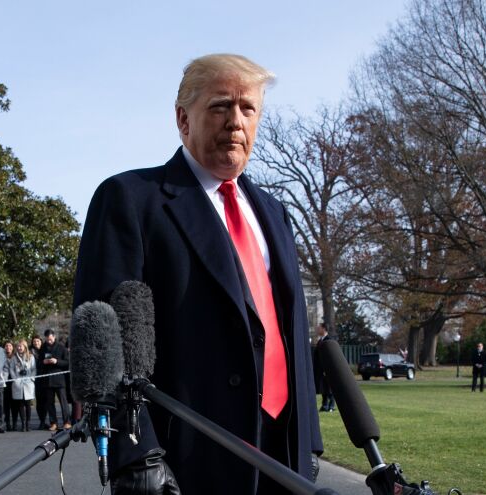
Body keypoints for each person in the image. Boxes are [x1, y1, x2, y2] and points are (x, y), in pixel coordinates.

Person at [73, 53, 322, 494]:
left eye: (248, 110)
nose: (236, 122)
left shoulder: (275, 214)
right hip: (187, 463)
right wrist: (136, 456)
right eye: (220, 106)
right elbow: (101, 341)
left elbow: (290, 337)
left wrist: (310, 445)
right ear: (183, 119)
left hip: (285, 458)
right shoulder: (130, 201)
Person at [37, 329, 69, 431]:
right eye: (47, 340)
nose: (49, 341)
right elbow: (38, 363)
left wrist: (56, 361)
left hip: (59, 380)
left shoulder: (61, 348)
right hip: (47, 380)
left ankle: (67, 422)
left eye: (50, 339)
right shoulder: (42, 349)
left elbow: (67, 362)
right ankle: (53, 422)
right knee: (49, 403)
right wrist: (44, 362)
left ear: (54, 337)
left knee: (63, 402)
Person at [6, 339, 35, 432]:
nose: (19, 348)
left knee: (28, 404)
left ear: (25, 347)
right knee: (20, 404)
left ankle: (28, 424)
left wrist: (31, 378)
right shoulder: (14, 358)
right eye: (18, 346)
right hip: (18, 383)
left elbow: (34, 369)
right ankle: (23, 423)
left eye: (21, 346)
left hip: (28, 383)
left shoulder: (30, 357)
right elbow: (11, 369)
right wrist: (15, 379)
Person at [313, 323, 336, 412]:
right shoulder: (320, 341)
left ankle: (331, 406)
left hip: (327, 370)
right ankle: (324, 405)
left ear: (324, 329)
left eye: (319, 328)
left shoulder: (329, 341)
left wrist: (328, 369)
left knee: (329, 389)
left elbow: (330, 356)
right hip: (320, 370)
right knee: (323, 388)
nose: (317, 330)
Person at [30, 335, 47, 429]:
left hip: (45, 378)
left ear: (41, 341)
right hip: (36, 379)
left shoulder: (45, 350)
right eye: (34, 341)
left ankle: (46, 420)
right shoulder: (30, 352)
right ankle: (42, 421)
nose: (36, 343)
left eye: (38, 341)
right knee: (39, 401)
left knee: (46, 401)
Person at [2, 341, 15, 431]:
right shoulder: (2, 357)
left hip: (14, 383)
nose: (8, 347)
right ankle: (7, 423)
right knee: (6, 405)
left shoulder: (16, 357)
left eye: (10, 345)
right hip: (5, 383)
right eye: (6, 346)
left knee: (14, 405)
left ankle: (14, 423)